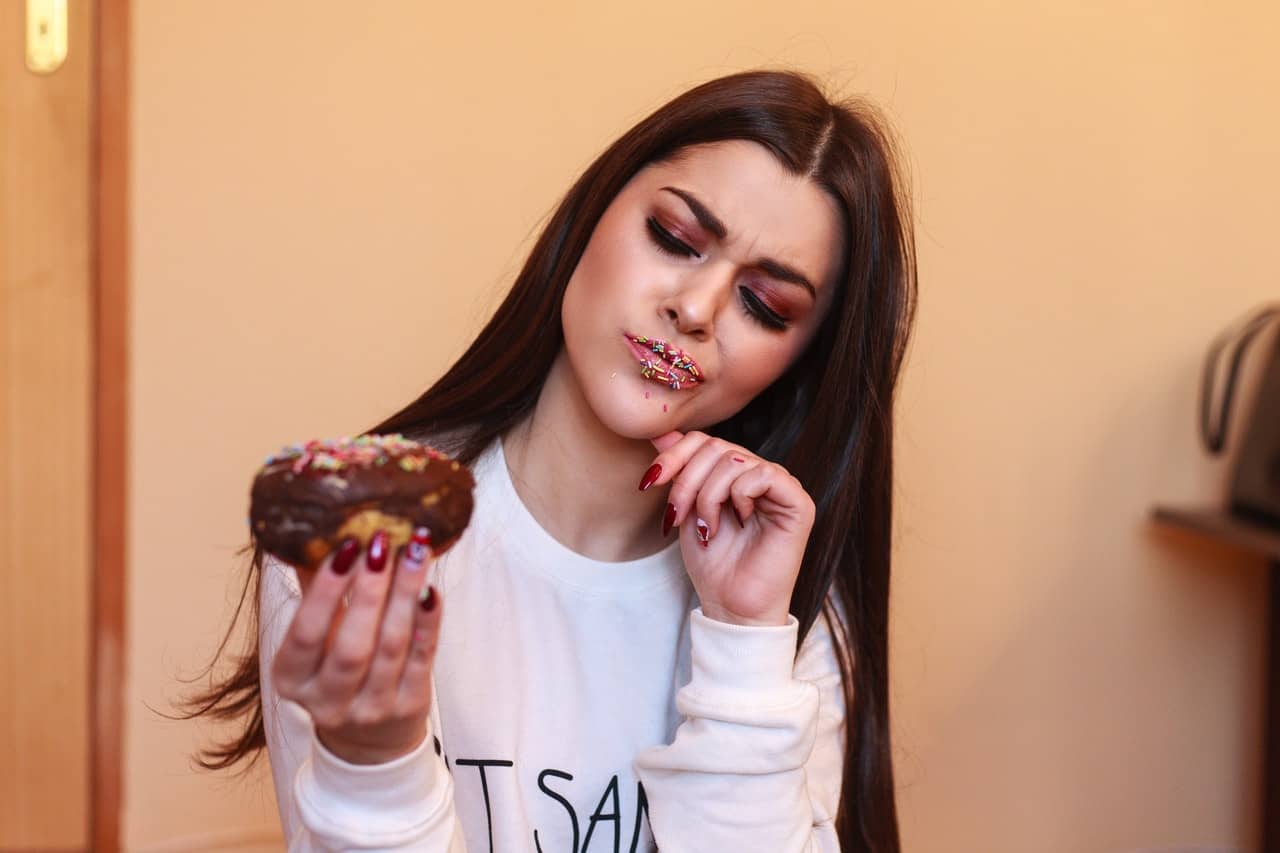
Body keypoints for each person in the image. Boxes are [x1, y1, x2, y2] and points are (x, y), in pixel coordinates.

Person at [178, 68, 917, 852]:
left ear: (798, 364)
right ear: (592, 214)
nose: (694, 310)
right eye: (673, 238)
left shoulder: (791, 611)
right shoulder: (363, 544)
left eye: (763, 306)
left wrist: (743, 641)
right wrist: (375, 767)